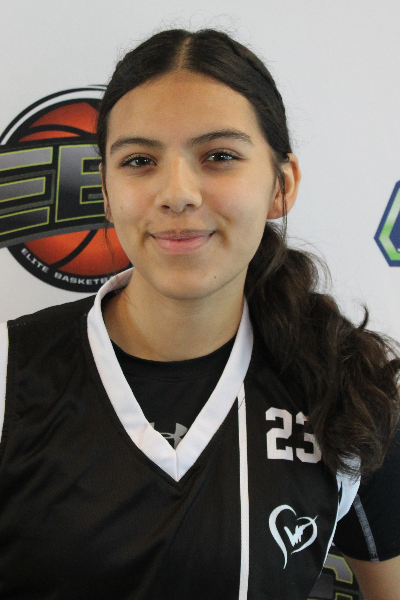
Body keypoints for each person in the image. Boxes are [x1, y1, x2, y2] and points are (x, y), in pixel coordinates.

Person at [0, 28, 399, 600]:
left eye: (219, 156)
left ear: (281, 185)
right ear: (106, 191)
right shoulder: (12, 373)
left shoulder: (347, 389)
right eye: (140, 160)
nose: (178, 193)